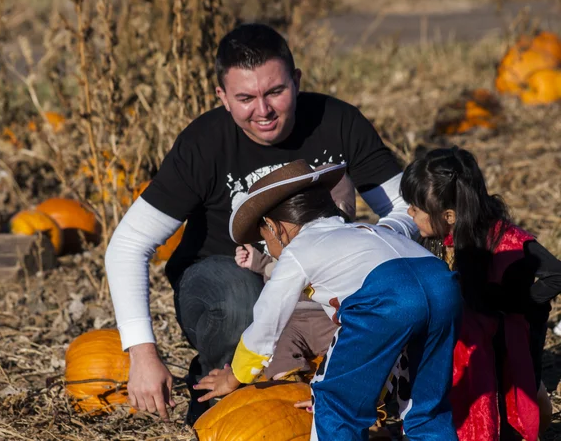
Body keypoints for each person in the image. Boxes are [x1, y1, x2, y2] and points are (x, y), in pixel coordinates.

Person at [104, 23, 417, 424]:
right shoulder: (204, 143)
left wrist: (370, 254)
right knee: (242, 298)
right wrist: (143, 354)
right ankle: (231, 403)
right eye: (245, 98)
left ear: (296, 81)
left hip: (318, 284)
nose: (263, 111)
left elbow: (404, 210)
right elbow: (128, 245)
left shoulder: (337, 122)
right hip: (226, 277)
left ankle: (349, 403)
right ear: (222, 97)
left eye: (275, 92)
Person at [194, 160, 462, 441]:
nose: (269, 250)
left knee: (335, 407)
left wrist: (234, 376)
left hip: (385, 299)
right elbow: (402, 227)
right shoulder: (366, 230)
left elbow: (266, 325)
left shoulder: (298, 250)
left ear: (275, 228)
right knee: (426, 409)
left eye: (264, 240)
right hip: (443, 286)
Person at [396, 146, 561, 441]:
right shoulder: (434, 238)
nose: (409, 212)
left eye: (416, 208)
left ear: (448, 215)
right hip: (464, 346)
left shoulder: (505, 239)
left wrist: (513, 305)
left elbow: (555, 274)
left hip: (506, 347)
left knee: (504, 412)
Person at [234, 163, 355, 381]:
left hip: (327, 319)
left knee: (342, 348)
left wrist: (238, 373)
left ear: (274, 228)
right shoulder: (357, 238)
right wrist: (259, 263)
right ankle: (290, 376)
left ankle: (328, 382)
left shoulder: (298, 254)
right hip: (296, 320)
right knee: (282, 342)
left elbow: (268, 318)